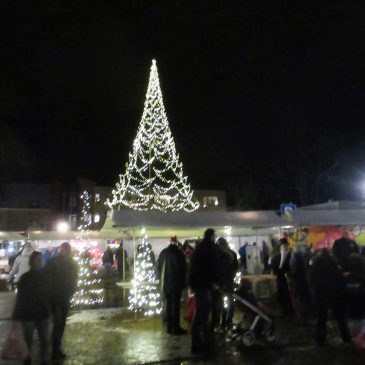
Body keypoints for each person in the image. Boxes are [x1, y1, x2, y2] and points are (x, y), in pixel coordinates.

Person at [13, 251, 50, 365]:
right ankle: (27, 361)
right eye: (37, 259)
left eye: (41, 259)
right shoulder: (25, 278)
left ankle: (43, 360)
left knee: (44, 340)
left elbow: (50, 294)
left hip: (42, 313)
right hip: (29, 315)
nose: (40, 261)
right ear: (32, 262)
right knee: (28, 340)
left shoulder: (45, 277)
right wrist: (17, 316)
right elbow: (21, 298)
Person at [308, 248, 351, 346]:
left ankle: (320, 340)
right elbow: (341, 281)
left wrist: (314, 294)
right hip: (335, 295)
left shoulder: (314, 267)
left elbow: (311, 281)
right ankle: (346, 338)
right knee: (341, 319)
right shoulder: (334, 265)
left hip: (320, 296)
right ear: (330, 255)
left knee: (321, 319)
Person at [44, 242, 78, 360]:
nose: (67, 252)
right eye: (65, 250)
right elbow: (46, 278)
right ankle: (55, 347)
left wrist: (71, 291)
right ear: (61, 250)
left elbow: (74, 280)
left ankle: (56, 347)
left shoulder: (71, 264)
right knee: (58, 323)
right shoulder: (53, 263)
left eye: (68, 250)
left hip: (63, 298)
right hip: (55, 298)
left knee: (60, 323)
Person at [189, 228, 219, 354]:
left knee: (202, 312)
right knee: (203, 313)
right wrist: (216, 281)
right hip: (203, 285)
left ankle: (200, 341)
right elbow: (213, 267)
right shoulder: (209, 248)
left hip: (198, 284)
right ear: (211, 236)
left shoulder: (199, 248)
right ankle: (200, 343)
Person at [157, 236, 187, 335]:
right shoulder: (179, 254)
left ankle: (169, 327)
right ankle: (176, 327)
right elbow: (183, 269)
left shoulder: (163, 253)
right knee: (176, 306)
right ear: (177, 243)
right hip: (176, 284)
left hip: (165, 284)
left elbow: (158, 268)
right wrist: (184, 283)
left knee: (169, 305)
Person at [212, 237, 238, 332]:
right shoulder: (232, 254)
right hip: (229, 283)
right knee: (229, 303)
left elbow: (214, 270)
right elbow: (235, 268)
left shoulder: (215, 255)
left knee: (218, 304)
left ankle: (217, 323)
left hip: (218, 285)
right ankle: (228, 321)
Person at [290, 237, 310, 324]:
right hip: (305, 281)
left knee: (301, 301)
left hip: (298, 282)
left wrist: (290, 275)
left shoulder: (295, 257)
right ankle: (305, 318)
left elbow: (294, 270)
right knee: (304, 300)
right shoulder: (305, 256)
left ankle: (303, 319)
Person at [271, 238, 293, 317]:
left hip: (285, 280)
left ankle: (288, 312)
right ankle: (287, 312)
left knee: (287, 297)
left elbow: (274, 270)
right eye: (285, 245)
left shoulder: (276, 257)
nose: (286, 247)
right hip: (284, 280)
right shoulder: (288, 256)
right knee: (286, 297)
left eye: (286, 245)